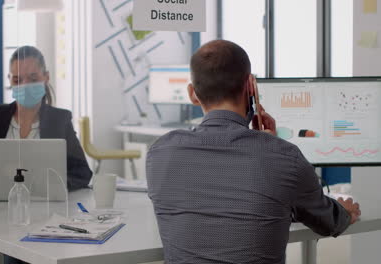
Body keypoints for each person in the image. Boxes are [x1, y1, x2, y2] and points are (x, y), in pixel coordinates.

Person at [146, 40, 361, 264]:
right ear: (251, 86)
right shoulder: (282, 156)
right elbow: (328, 221)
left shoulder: (160, 153)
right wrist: (344, 211)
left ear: (192, 93)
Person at [0, 46, 92, 264]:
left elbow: (82, 173)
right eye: (17, 79)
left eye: (32, 78)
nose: (24, 85)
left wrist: (49, 186)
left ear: (46, 77)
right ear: (10, 81)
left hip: (43, 219)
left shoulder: (60, 121)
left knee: (14, 259)